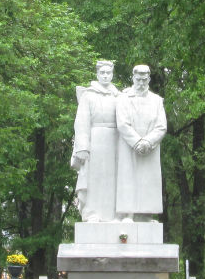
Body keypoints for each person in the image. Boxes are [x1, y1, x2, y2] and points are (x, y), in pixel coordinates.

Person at [71, 60, 121, 222]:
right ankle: (91, 213)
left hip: (115, 140)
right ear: (97, 74)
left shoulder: (118, 96)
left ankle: (114, 214)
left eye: (108, 73)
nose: (105, 76)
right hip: (96, 139)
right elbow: (81, 122)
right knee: (94, 177)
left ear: (112, 75)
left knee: (113, 178)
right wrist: (82, 146)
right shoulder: (88, 95)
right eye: (102, 73)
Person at [116, 64, 167, 221]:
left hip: (150, 147)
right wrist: (137, 142)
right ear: (133, 78)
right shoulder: (123, 98)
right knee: (128, 178)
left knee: (148, 180)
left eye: (144, 79)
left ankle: (146, 213)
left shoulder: (157, 101)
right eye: (138, 79)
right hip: (129, 145)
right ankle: (128, 213)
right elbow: (122, 123)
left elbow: (162, 126)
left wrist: (148, 142)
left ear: (149, 79)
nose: (141, 83)